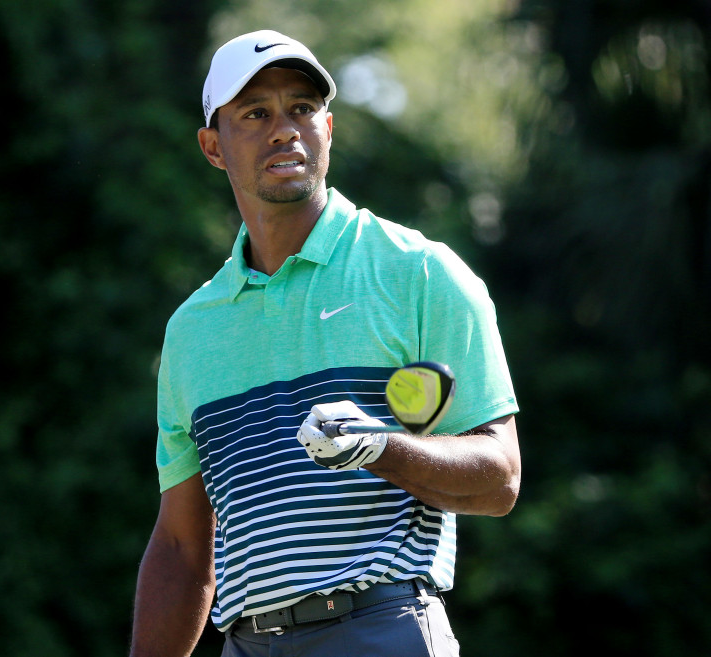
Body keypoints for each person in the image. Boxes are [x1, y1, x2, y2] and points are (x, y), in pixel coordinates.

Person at [129, 29, 521, 657]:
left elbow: (500, 478)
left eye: (302, 108)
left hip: (381, 628)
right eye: (255, 113)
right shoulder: (192, 331)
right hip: (248, 643)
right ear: (213, 147)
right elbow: (180, 547)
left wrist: (381, 447)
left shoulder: (419, 272)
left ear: (329, 129)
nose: (284, 128)